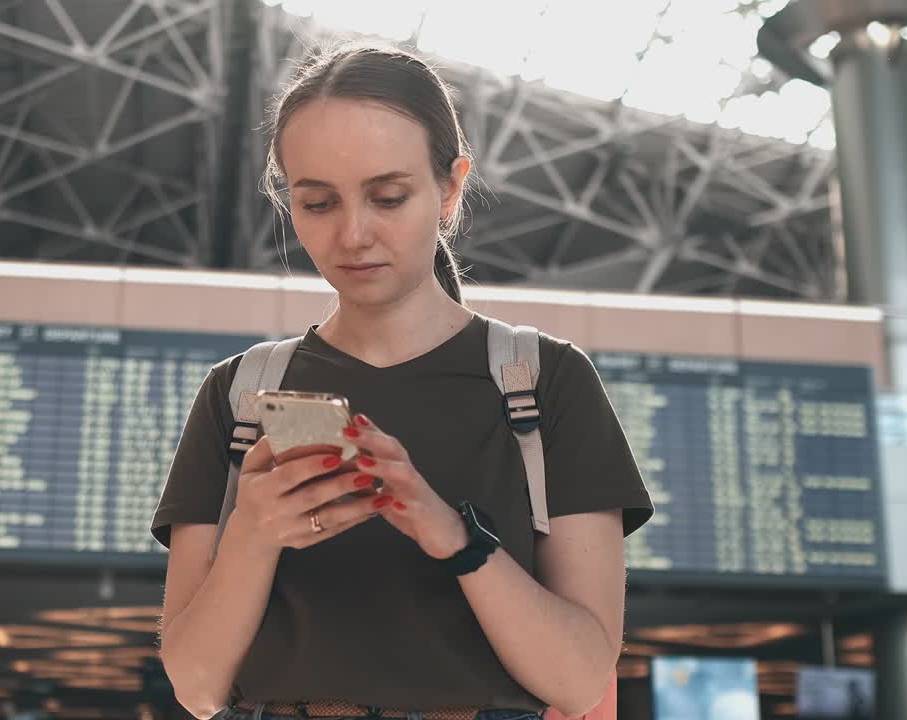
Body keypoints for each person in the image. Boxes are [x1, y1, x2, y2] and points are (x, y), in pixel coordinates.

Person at [152, 43, 654, 720]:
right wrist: (253, 534)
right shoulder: (239, 395)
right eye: (318, 203)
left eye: (388, 197)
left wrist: (451, 533)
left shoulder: (542, 382)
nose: (353, 234)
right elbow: (197, 687)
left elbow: (578, 678)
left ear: (450, 187)